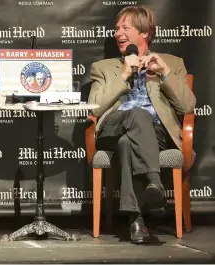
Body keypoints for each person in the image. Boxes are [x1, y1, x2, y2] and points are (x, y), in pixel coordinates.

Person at [88, 5, 195, 244]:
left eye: (125, 27)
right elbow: (94, 107)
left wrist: (165, 73)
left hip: (155, 133)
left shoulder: (172, 63)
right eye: (117, 28)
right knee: (136, 115)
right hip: (113, 127)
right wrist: (123, 75)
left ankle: (136, 221)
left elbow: (187, 106)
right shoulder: (104, 68)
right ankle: (154, 182)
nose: (118, 33)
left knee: (129, 142)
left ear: (145, 32)